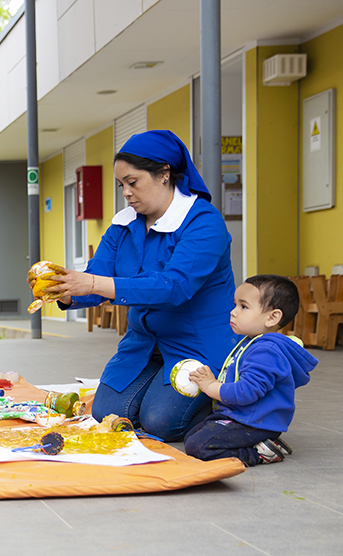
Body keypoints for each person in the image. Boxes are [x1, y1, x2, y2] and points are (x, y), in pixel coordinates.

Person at [49, 130, 238, 441]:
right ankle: (161, 395)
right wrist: (67, 293)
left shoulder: (204, 222)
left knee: (161, 421)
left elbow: (173, 286)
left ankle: (221, 402)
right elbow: (97, 275)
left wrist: (93, 281)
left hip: (196, 344)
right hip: (144, 344)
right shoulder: (124, 224)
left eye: (132, 182)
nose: (126, 192)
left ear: (164, 174)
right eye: (121, 185)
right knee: (106, 412)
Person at [184, 275, 317, 466]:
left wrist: (210, 385)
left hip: (254, 423)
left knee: (198, 446)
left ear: (272, 317)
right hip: (241, 416)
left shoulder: (266, 351)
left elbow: (246, 392)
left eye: (243, 307)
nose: (233, 312)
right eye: (235, 305)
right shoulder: (252, 342)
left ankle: (259, 452)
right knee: (193, 435)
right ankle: (262, 443)